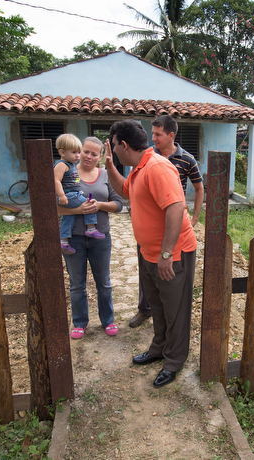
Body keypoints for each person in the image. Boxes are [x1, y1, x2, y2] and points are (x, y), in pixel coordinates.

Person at [104, 120, 197, 388]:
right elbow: (125, 189)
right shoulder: (139, 168)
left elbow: (176, 208)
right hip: (150, 253)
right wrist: (110, 167)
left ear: (124, 145)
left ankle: (174, 361)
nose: (114, 151)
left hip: (171, 254)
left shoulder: (157, 167)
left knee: (175, 310)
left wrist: (167, 254)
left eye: (113, 147)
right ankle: (159, 348)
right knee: (157, 306)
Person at [128, 115, 204, 329]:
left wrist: (195, 216)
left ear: (171, 135)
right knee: (147, 276)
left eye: (158, 134)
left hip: (171, 229)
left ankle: (170, 326)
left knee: (169, 278)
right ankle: (145, 310)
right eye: (152, 133)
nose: (153, 138)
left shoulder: (187, 159)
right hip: (149, 226)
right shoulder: (147, 156)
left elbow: (199, 188)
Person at [58, 136, 123, 339]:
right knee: (77, 284)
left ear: (99, 156)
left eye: (94, 154)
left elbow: (119, 204)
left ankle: (108, 320)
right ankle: (80, 323)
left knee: (103, 282)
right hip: (73, 238)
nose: (88, 156)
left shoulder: (105, 175)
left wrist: (99, 206)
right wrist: (80, 209)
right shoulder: (67, 173)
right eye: (85, 151)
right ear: (78, 150)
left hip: (100, 237)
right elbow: (55, 205)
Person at [54, 133, 105, 255]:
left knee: (68, 218)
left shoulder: (71, 165)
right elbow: (55, 180)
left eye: (78, 152)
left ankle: (64, 241)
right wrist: (61, 195)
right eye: (74, 153)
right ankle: (91, 228)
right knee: (89, 203)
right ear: (62, 152)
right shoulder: (62, 165)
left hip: (71, 194)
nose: (77, 156)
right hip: (69, 195)